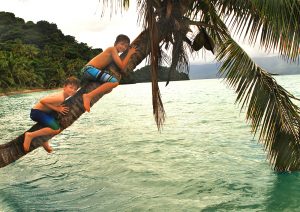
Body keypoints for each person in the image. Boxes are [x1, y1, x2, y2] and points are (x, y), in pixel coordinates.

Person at [23, 76, 80, 153]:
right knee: (56, 129)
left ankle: (44, 140)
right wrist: (57, 109)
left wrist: (56, 107)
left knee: (52, 123)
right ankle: (30, 135)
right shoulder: (60, 97)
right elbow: (43, 101)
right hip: (37, 113)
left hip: (44, 112)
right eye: (71, 87)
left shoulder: (62, 96)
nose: (73, 90)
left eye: (75, 89)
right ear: (64, 87)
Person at [81, 34, 136, 112]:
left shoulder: (114, 54)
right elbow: (122, 66)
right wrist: (129, 54)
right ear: (115, 43)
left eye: (126, 46)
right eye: (122, 44)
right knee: (114, 82)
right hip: (89, 70)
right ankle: (88, 96)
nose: (123, 47)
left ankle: (89, 96)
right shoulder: (112, 49)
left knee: (109, 89)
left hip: (91, 72)